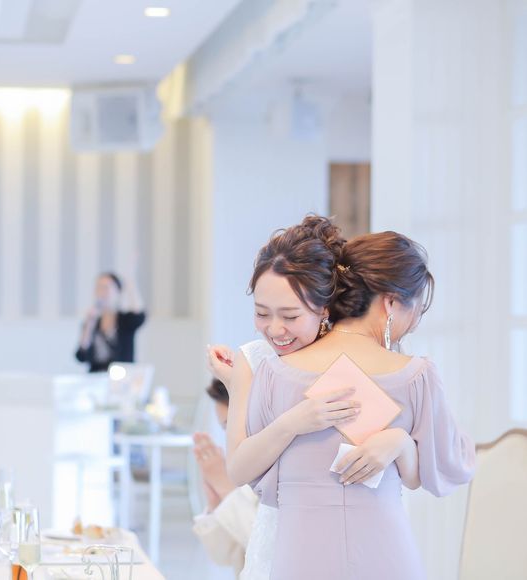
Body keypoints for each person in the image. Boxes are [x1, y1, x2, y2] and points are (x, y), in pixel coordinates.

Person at [237, 231, 475, 579]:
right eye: (416, 308)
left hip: (301, 554)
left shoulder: (276, 373)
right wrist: (402, 443)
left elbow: (257, 479)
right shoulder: (415, 376)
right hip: (387, 552)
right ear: (390, 303)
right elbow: (442, 470)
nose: (415, 322)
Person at [207, 215, 387, 580]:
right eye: (261, 313)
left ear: (324, 308)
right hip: (276, 541)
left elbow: (382, 468)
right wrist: (293, 421)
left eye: (290, 316)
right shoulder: (254, 359)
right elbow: (238, 469)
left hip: (344, 538)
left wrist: (396, 441)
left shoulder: (346, 362)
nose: (275, 329)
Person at [192, 379, 259, 577]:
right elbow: (224, 556)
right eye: (225, 429)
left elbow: (267, 549)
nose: (230, 438)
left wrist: (227, 490)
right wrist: (216, 504)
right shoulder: (244, 467)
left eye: (233, 426)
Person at [75, 272, 147, 372]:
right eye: (98, 287)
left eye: (106, 288)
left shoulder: (125, 320)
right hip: (97, 376)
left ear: (118, 292)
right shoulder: (92, 322)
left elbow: (139, 316)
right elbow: (81, 356)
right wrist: (89, 325)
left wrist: (131, 285)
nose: (101, 292)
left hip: (122, 376)